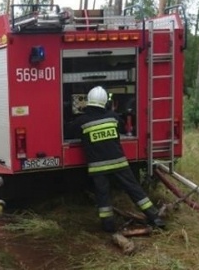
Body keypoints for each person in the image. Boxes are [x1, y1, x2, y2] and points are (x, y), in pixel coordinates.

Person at [65, 86, 165, 233]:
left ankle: (108, 227)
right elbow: (124, 128)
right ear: (105, 102)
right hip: (119, 163)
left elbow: (68, 132)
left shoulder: (82, 121)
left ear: (89, 102)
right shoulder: (113, 117)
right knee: (135, 190)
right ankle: (155, 217)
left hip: (98, 168)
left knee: (103, 198)